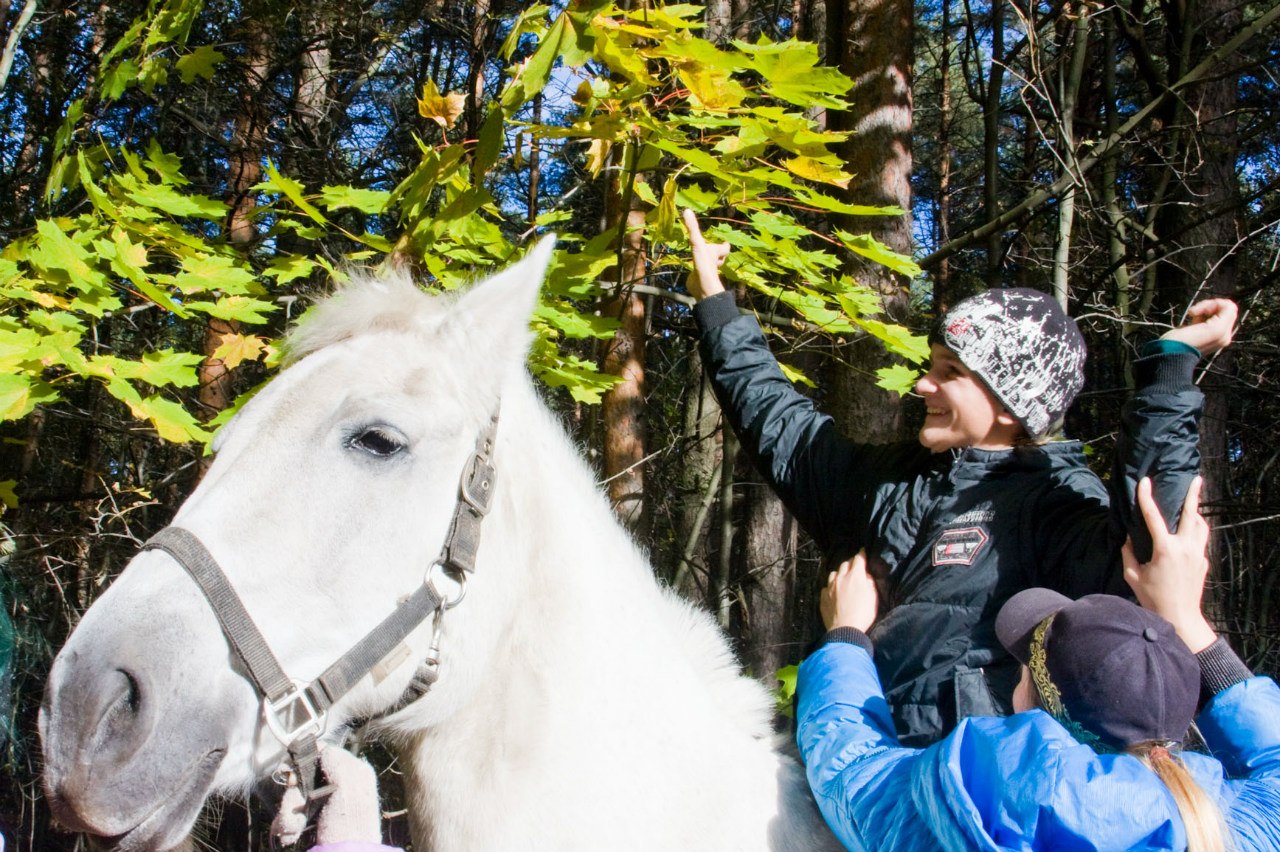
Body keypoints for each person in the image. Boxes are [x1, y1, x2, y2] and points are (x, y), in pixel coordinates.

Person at [682, 210, 1239, 745]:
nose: (923, 385)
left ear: (1007, 403)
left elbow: (1152, 529)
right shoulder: (884, 481)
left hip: (971, 802)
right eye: (930, 367)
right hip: (842, 773)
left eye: (950, 373)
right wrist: (715, 304)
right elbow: (780, 422)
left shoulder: (1057, 503)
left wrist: (1170, 365)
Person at [797, 476, 1280, 850]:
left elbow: (849, 766)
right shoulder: (1232, 827)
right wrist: (1186, 620)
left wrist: (846, 633)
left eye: (1025, 663)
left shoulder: (970, 813)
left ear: (1037, 702)